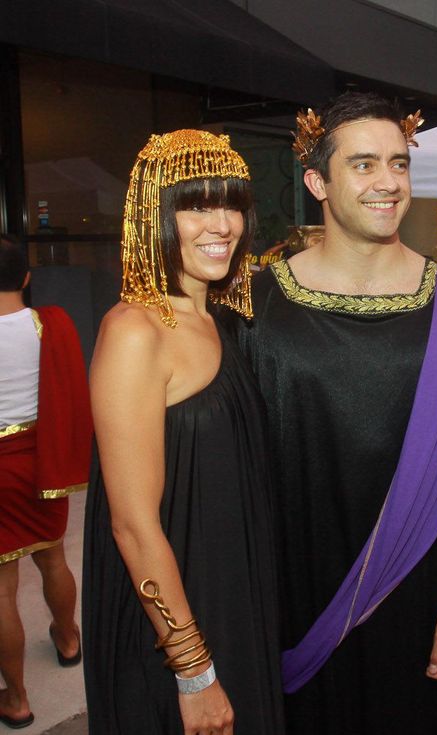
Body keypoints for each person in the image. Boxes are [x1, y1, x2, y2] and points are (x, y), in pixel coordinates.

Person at [234, 93, 437, 733]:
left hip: (414, 600)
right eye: (363, 165)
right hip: (286, 600)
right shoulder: (250, 303)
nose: (388, 183)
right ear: (317, 181)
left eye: (399, 163)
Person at [83, 130, 284, 734]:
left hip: (232, 592)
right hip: (173, 630)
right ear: (155, 216)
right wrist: (194, 671)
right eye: (196, 205)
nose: (222, 224)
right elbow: (131, 523)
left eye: (233, 204)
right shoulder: (134, 331)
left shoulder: (221, 316)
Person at [0, 236, 91, 730]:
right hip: (42, 464)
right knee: (53, 556)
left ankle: (16, 700)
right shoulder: (49, 324)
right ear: (26, 278)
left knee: (1, 590)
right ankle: (69, 637)